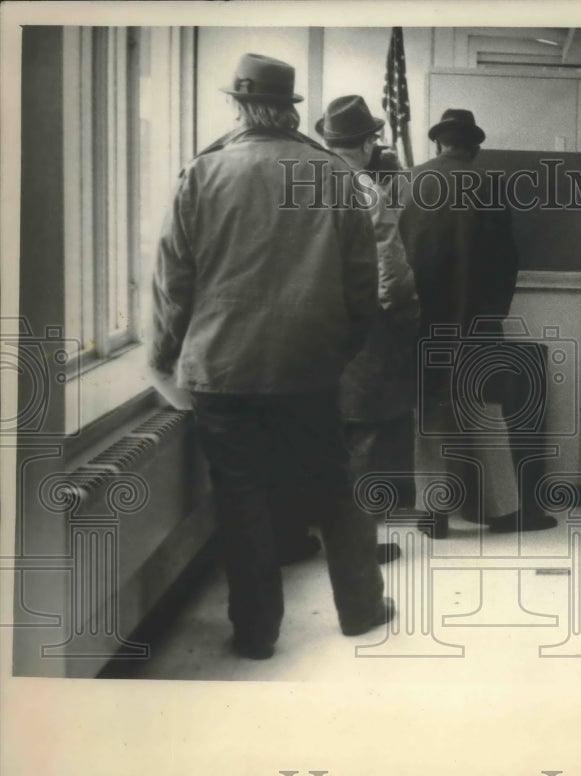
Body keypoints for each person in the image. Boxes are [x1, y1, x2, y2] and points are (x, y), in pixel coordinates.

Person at [150, 53, 394, 659]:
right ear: (289, 110)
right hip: (307, 368)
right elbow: (363, 283)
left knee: (242, 498)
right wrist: (341, 349)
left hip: (221, 370)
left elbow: (173, 282)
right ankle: (360, 609)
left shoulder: (201, 174)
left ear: (237, 105)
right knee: (336, 489)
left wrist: (162, 358)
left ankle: (257, 632)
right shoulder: (334, 175)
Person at [398, 109, 557, 535]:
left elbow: (392, 256)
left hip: (420, 320)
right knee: (484, 410)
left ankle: (433, 514)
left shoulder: (406, 182)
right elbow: (506, 263)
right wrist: (493, 314)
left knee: (429, 414)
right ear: (475, 147)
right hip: (476, 319)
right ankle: (503, 511)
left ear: (438, 143)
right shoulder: (489, 185)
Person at [317, 95, 423, 564]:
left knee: (327, 435)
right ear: (364, 143)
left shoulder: (304, 181)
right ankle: (356, 543)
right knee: (364, 437)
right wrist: (404, 312)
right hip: (360, 329)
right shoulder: (365, 191)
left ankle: (318, 532)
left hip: (307, 329)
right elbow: (391, 272)